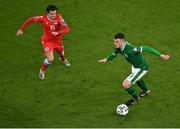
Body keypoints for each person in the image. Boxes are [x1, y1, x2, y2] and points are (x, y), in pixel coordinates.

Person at [98, 33, 170, 105]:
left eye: (117, 41)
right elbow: (114, 54)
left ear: (122, 41)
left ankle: (136, 99)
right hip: (135, 66)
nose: (115, 43)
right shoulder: (119, 48)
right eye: (114, 41)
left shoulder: (131, 49)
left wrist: (161, 55)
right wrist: (106, 59)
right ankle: (147, 92)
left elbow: (147, 48)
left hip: (142, 67)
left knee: (125, 84)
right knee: (138, 79)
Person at [16, 4, 71, 80]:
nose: (54, 15)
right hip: (47, 41)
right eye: (52, 14)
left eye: (55, 13)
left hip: (57, 41)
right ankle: (42, 70)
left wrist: (58, 33)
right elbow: (31, 19)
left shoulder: (59, 18)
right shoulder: (43, 18)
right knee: (50, 59)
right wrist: (21, 29)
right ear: (47, 13)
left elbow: (67, 29)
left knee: (61, 53)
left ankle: (63, 59)